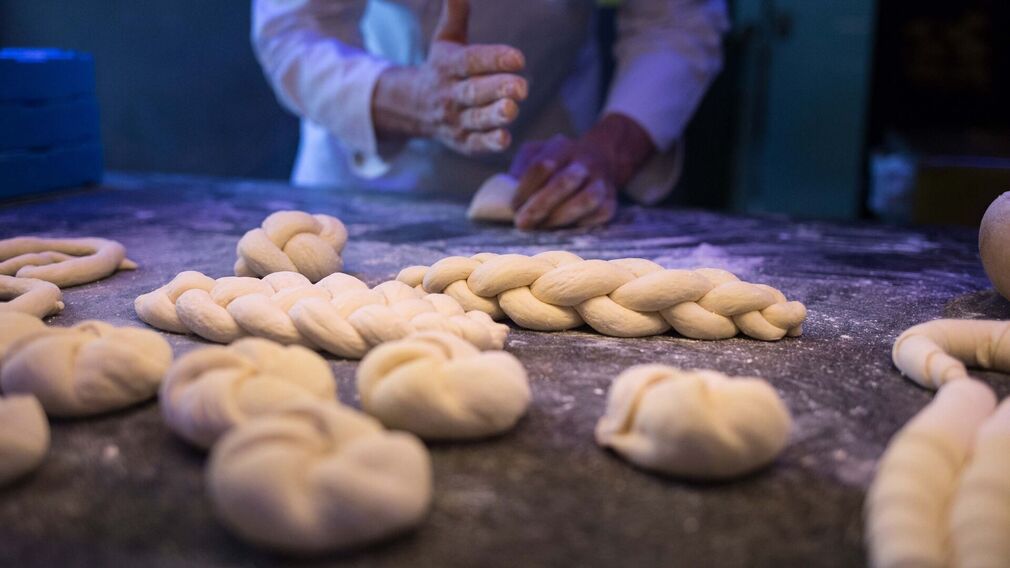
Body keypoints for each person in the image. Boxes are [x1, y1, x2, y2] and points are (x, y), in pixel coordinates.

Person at [253, 0, 728, 229]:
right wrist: (413, 99)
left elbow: (676, 19)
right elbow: (295, 29)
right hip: (360, 172)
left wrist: (609, 152)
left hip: (550, 173)